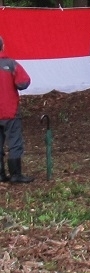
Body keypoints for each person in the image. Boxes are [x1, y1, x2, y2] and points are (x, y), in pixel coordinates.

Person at [0, 36, 33, 184]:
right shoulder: (11, 64)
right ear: (3, 46)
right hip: (10, 111)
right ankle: (15, 174)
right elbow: (23, 82)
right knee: (14, 142)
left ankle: (1, 174)